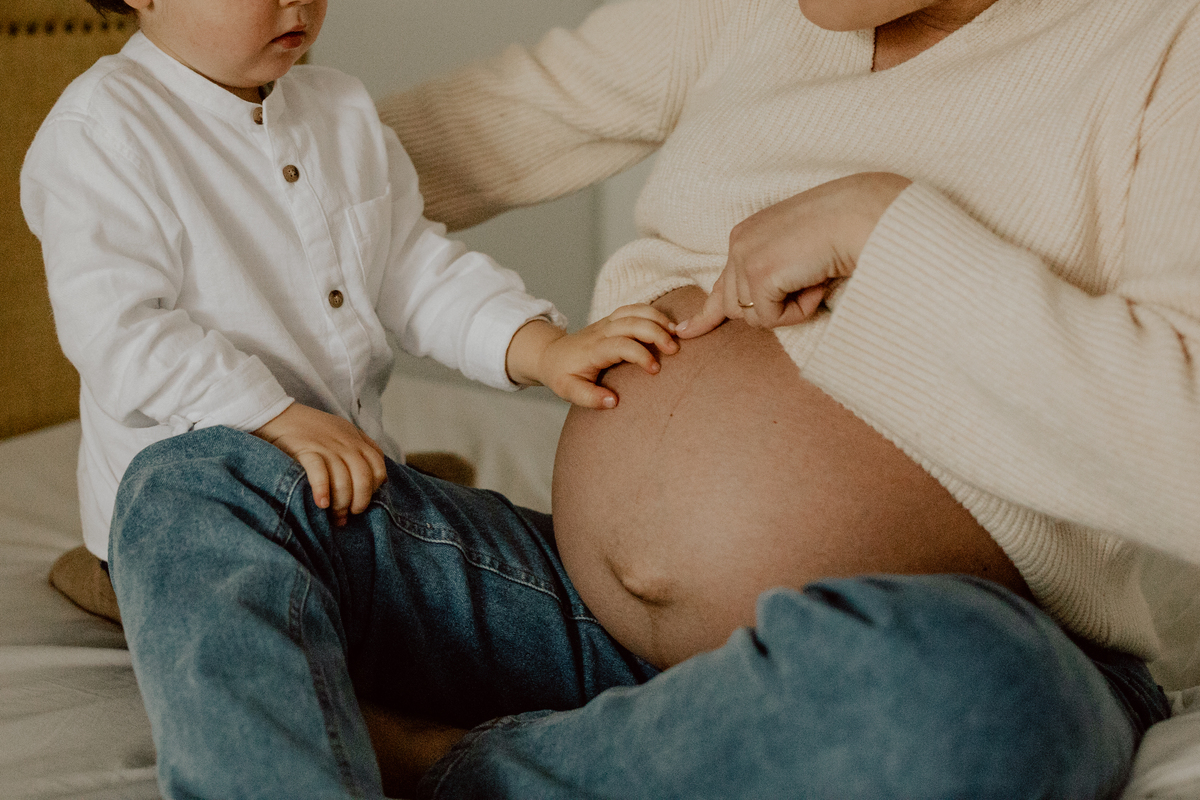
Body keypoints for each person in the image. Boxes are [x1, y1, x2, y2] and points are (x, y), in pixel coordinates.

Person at [76, 0, 1200, 797]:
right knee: (200, 482)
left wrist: (881, 227)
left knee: (965, 705)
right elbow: (401, 158)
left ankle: (447, 766)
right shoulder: (750, 9)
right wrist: (171, 175)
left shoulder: (1163, 43)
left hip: (941, 644)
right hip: (577, 613)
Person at [21, 0, 679, 563]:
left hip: (353, 484)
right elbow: (121, 334)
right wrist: (273, 417)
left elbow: (412, 269)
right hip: (204, 521)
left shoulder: (339, 109)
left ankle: (409, 497)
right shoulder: (99, 134)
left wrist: (543, 349)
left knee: (557, 566)